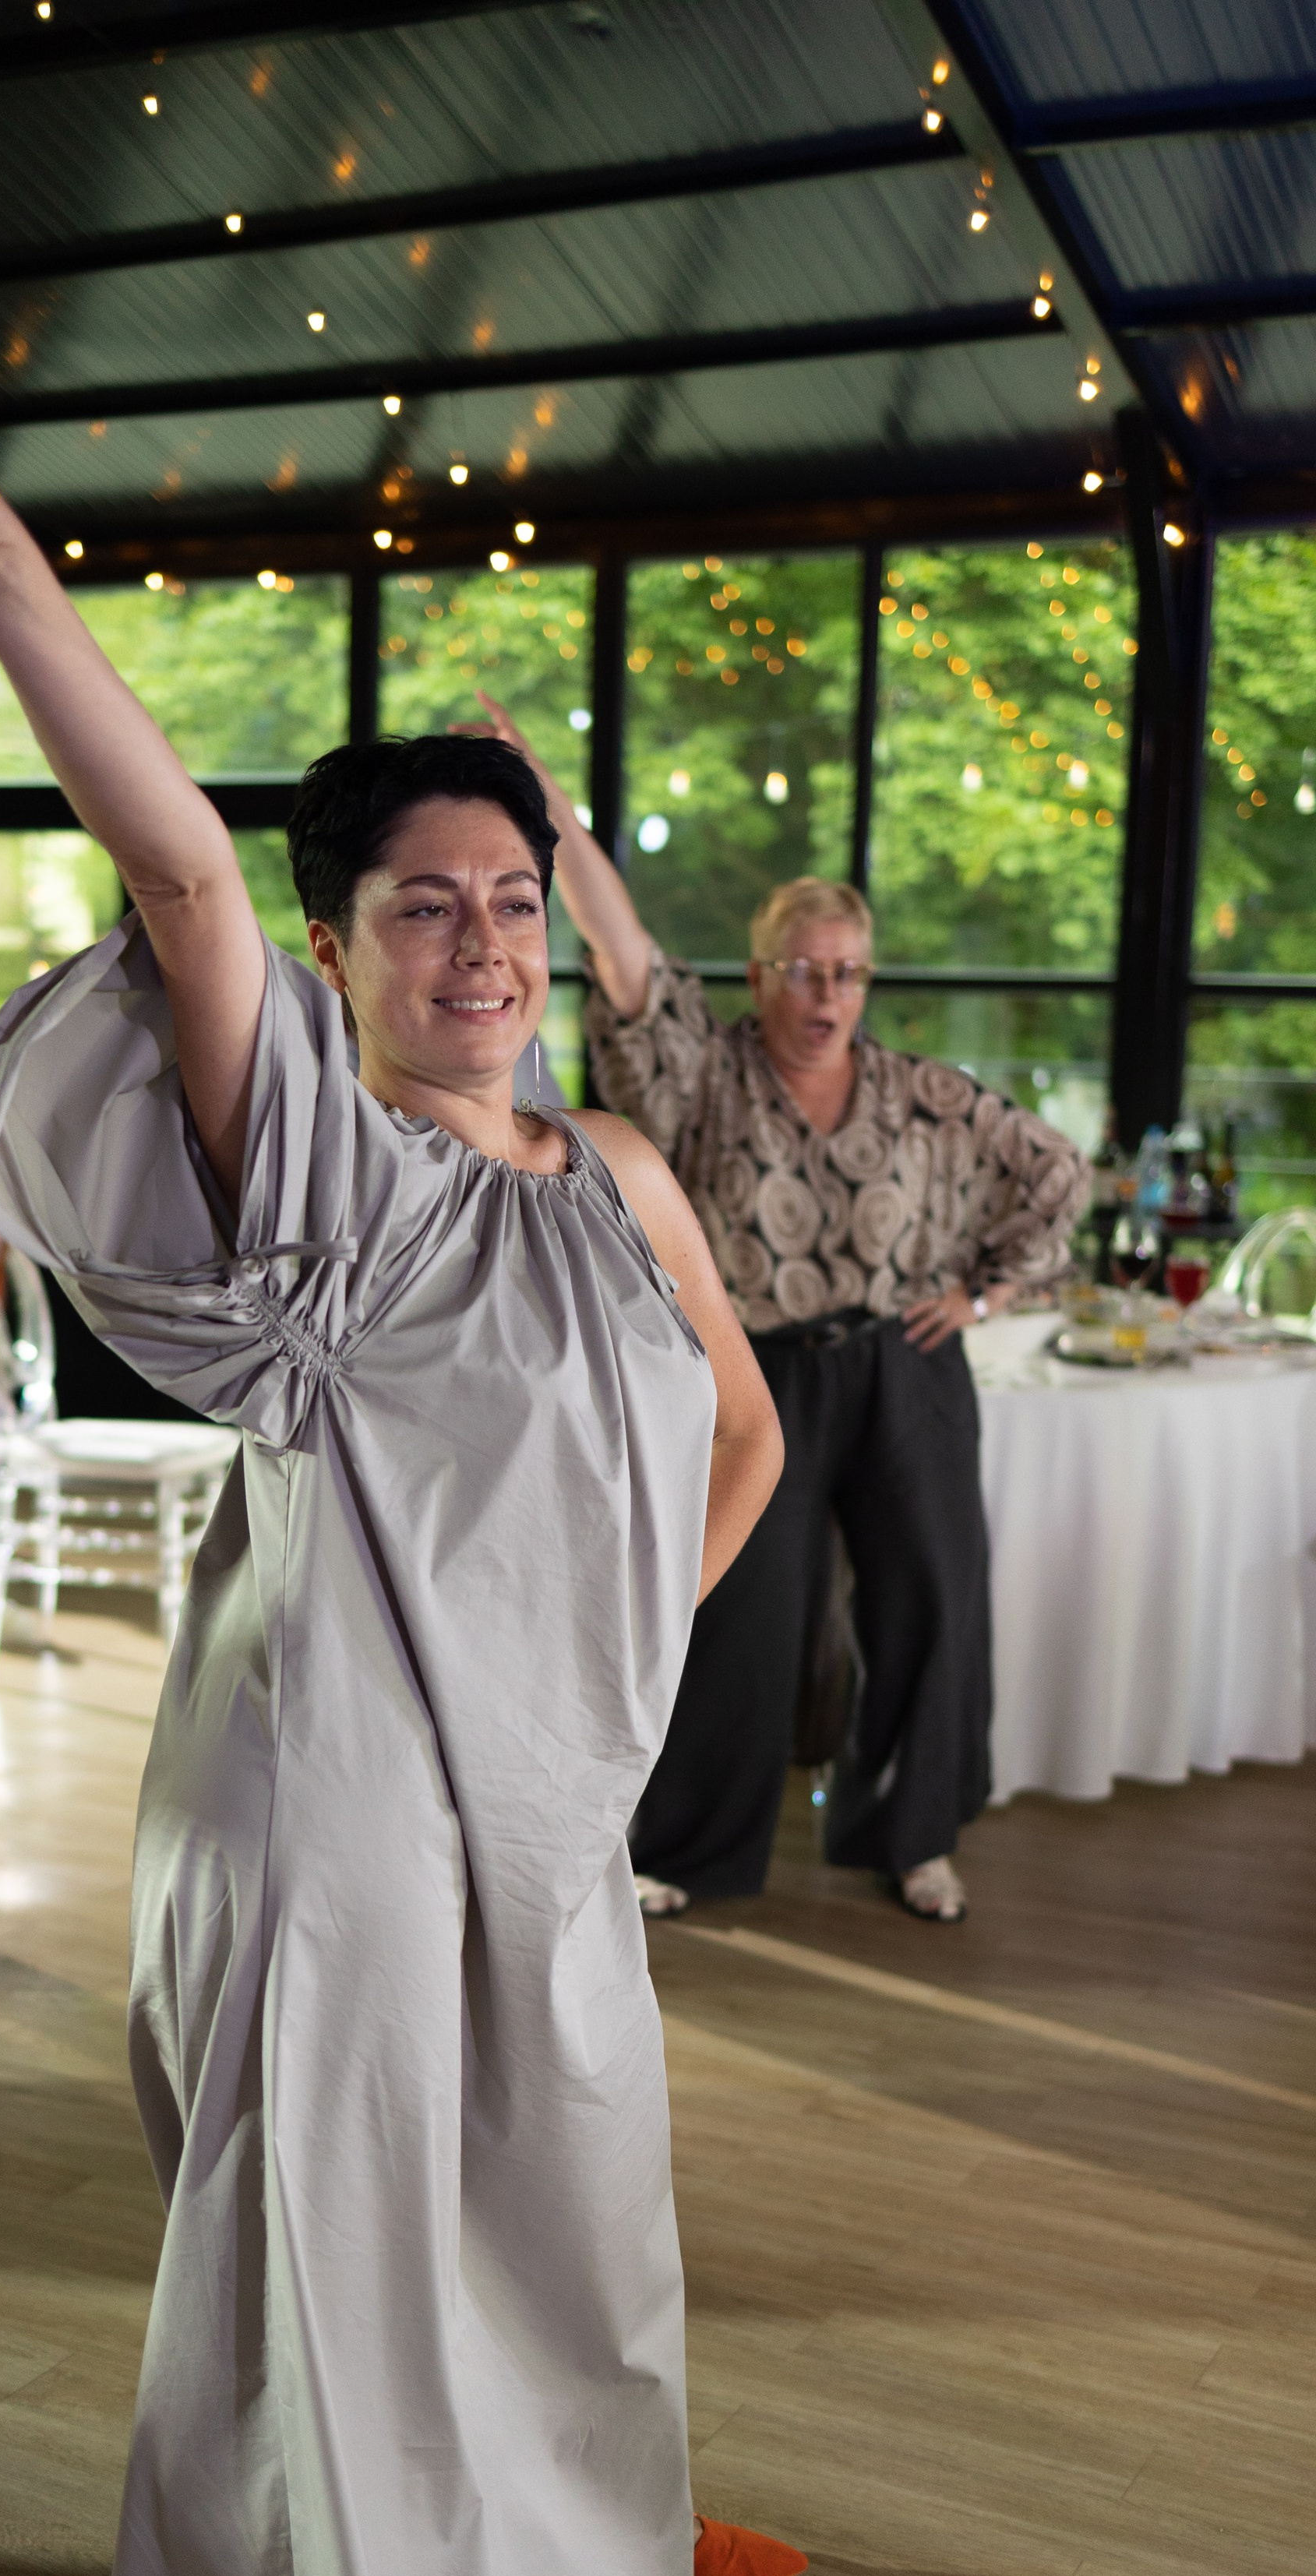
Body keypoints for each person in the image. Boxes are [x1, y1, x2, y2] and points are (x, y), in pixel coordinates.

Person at [0, 354, 794, 2576]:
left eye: (514, 898)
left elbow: (751, 1441)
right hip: (321, 1807)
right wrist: (4, 573)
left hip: (544, 1813)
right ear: (346, 948)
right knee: (326, 2299)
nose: (482, 941)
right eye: (424, 904)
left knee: (566, 2232)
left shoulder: (630, 1175)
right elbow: (173, 878)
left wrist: (575, 1658)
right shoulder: (312, 1170)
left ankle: (593, 2557)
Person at [464, 698, 1085, 1926]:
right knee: (737, 1604)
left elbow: (1055, 1172)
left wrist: (989, 1290)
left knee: (930, 1597)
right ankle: (689, 1846)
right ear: (761, 975)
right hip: (757, 1374)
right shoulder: (703, 1070)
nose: (828, 993)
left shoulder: (920, 1094)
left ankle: (915, 1838)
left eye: (848, 973)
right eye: (804, 970)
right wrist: (547, 811)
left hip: (904, 1367)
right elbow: (624, 947)